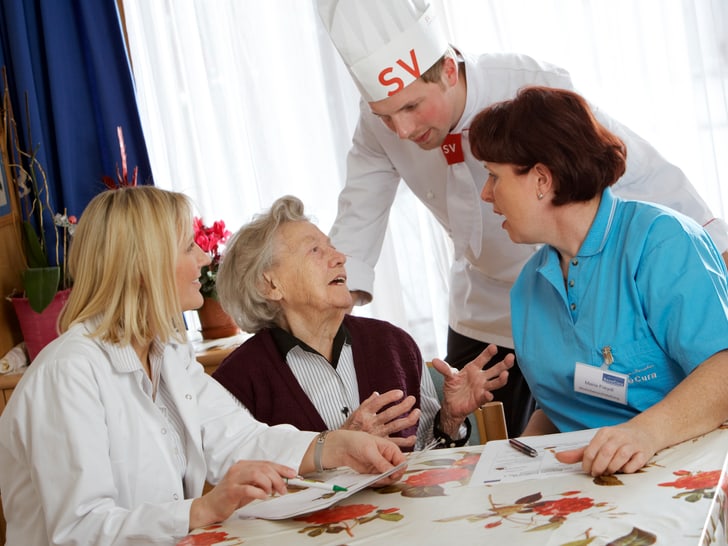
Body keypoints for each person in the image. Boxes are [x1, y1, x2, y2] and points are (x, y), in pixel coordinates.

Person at [315, 0, 728, 438]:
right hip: (501, 303)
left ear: (450, 72)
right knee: (493, 438)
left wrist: (711, 262)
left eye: (412, 107)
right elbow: (359, 213)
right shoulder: (381, 125)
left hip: (597, 288)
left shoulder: (529, 91)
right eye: (386, 115)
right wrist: (325, 313)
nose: (400, 130)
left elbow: (644, 174)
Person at [0, 186, 406, 545]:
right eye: (188, 247)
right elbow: (80, 530)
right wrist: (203, 510)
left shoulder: (169, 354)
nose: (205, 256)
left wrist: (335, 445)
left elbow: (239, 439)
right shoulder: (68, 373)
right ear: (146, 265)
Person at [468, 85, 728, 476]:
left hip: (692, 467)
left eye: (493, 176)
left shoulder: (661, 241)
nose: (486, 194)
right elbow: (562, 407)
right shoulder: (528, 288)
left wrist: (642, 433)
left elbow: (723, 369)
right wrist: (514, 462)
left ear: (541, 179)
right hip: (595, 480)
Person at [212, 195, 513, 452]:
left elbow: (425, 462)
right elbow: (246, 496)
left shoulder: (394, 345)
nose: (340, 257)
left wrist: (449, 419)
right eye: (315, 250)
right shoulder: (238, 382)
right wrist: (336, 453)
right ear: (270, 285)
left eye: (332, 246)